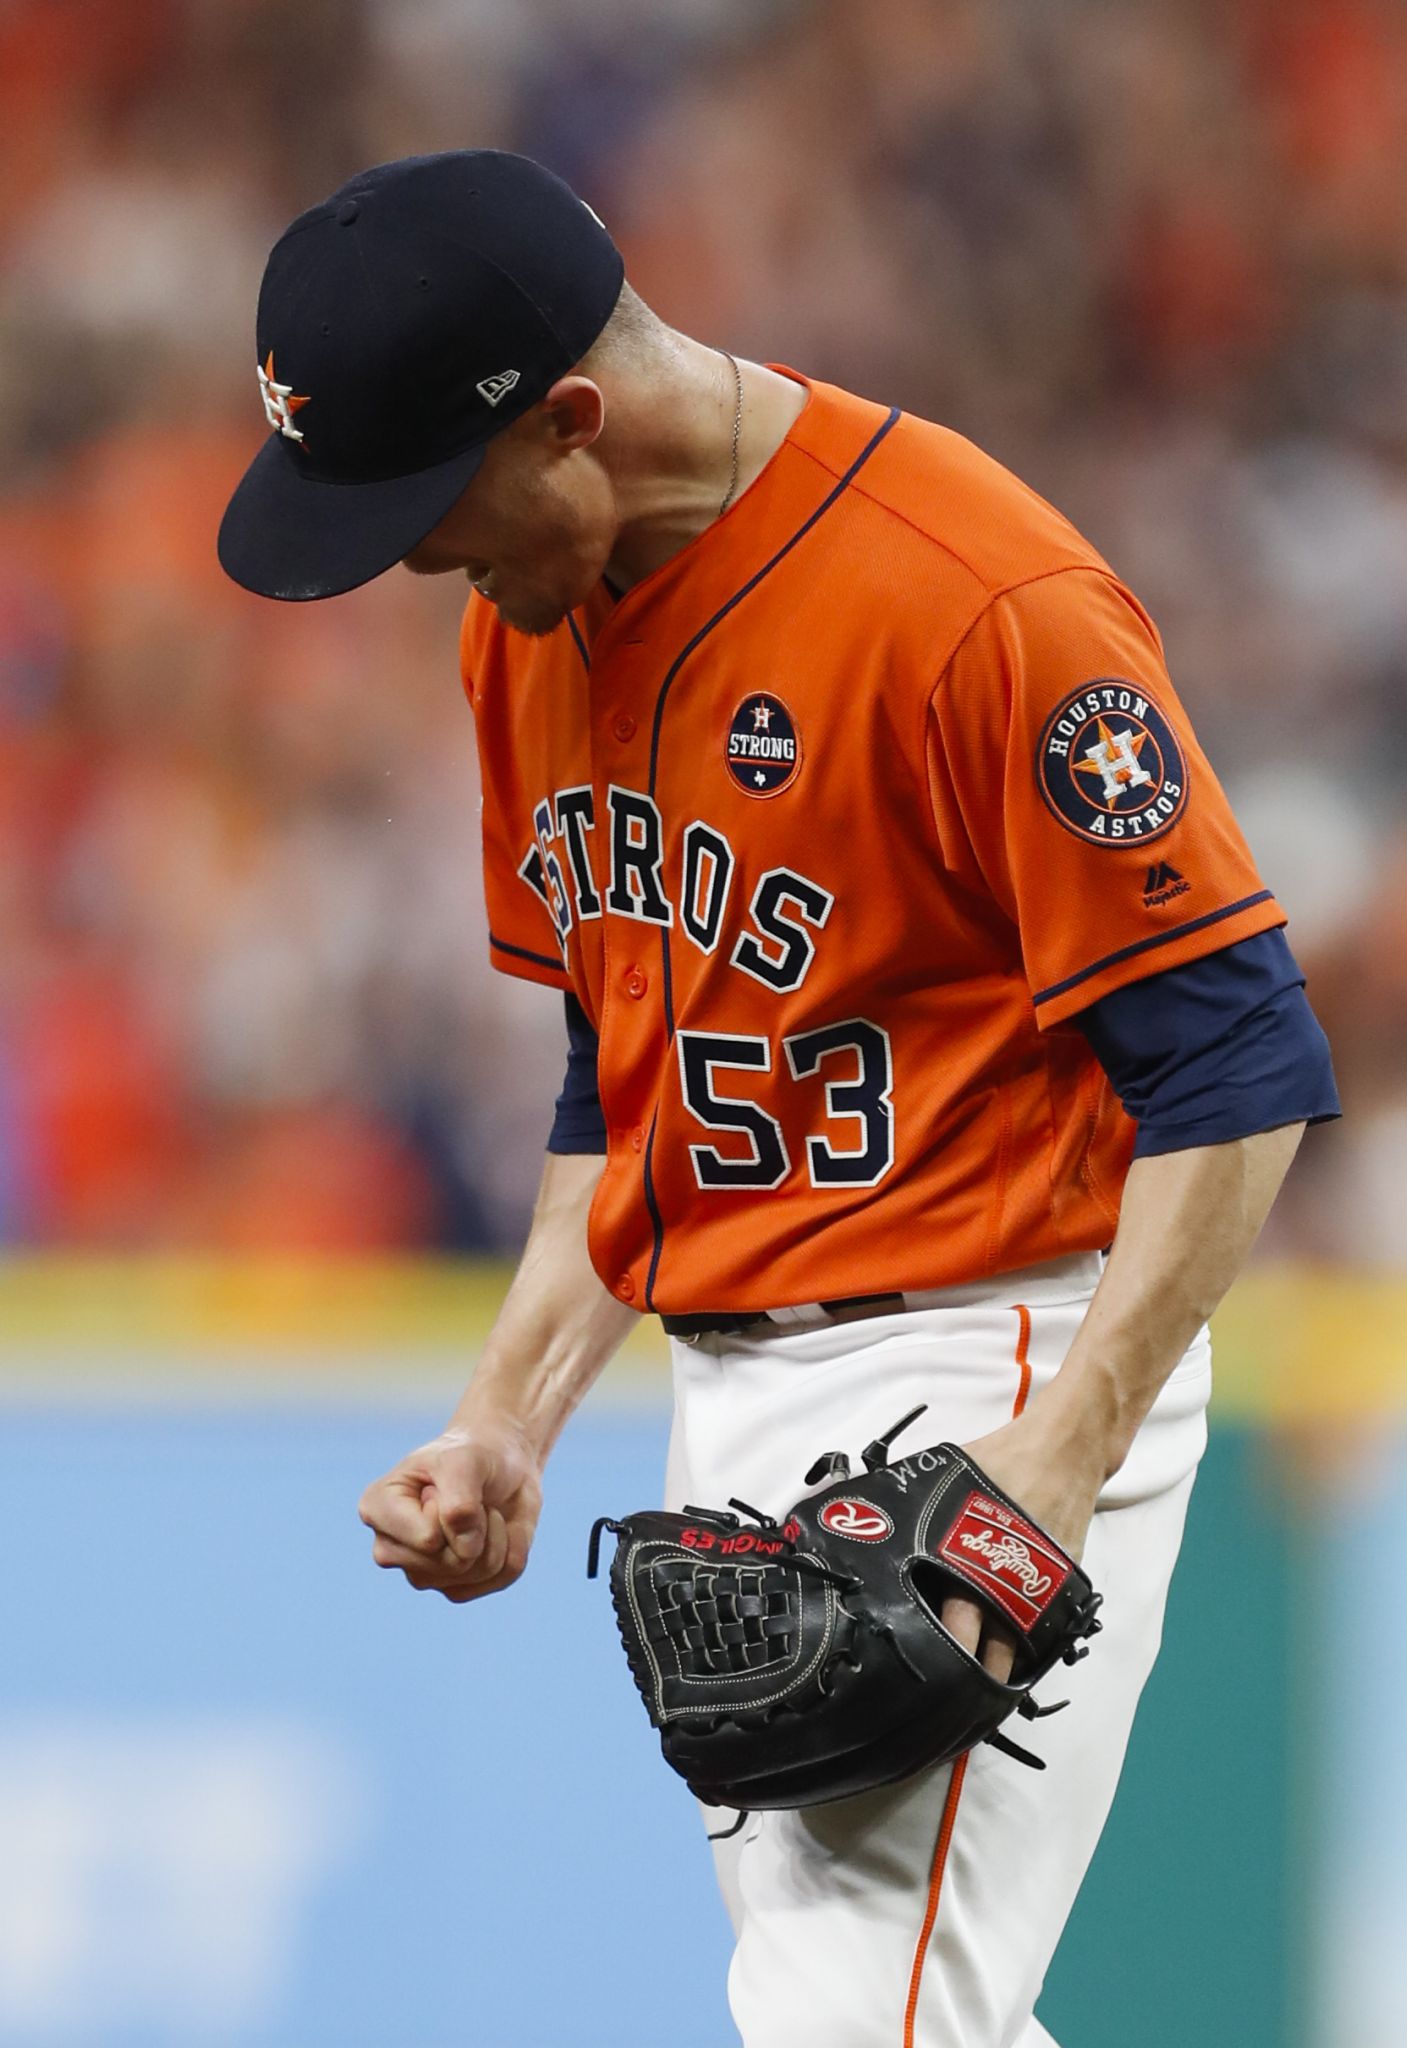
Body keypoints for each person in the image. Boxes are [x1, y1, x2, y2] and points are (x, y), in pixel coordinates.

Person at [219, 150, 1338, 2047]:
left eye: (433, 503)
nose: (416, 557)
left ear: (574, 417)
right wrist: (512, 1415)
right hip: (733, 1388)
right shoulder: (532, 616)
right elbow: (628, 1068)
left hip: (992, 1362)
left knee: (855, 2023)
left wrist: (1054, 1464)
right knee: (890, 2013)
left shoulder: (978, 602)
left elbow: (1241, 1073)